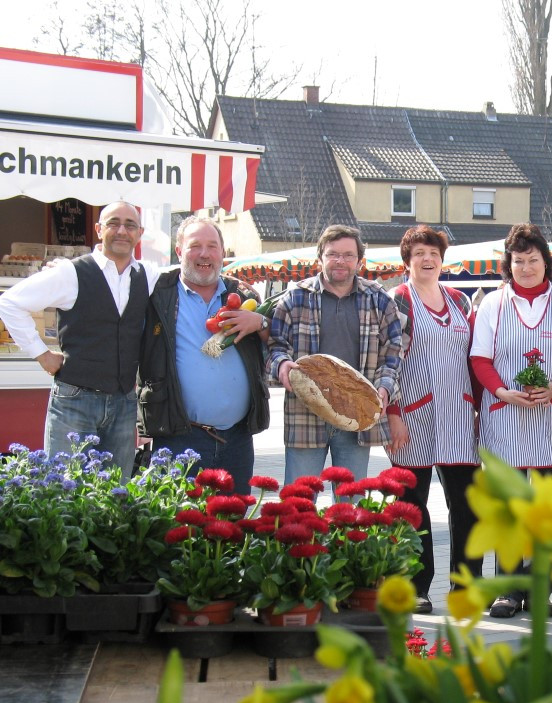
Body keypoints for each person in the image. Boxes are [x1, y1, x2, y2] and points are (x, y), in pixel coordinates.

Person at [470, 222, 552, 618]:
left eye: (533, 260)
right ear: (509, 264)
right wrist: (502, 392)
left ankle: (539, 590)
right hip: (506, 417)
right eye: (518, 261)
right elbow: (480, 358)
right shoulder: (493, 304)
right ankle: (507, 590)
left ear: (546, 262)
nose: (526, 267)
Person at [0, 201, 162, 476]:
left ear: (140, 232)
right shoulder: (70, 272)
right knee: (64, 485)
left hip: (123, 402)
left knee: (116, 490)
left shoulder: (148, 275)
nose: (122, 231)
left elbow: (186, 277)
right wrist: (41, 354)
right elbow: (10, 303)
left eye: (130, 225)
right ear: (99, 229)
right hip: (75, 400)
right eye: (113, 223)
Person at [138, 217, 270, 494]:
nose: (204, 254)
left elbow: (277, 344)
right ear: (179, 251)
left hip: (237, 439)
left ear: (223, 252)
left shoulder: (243, 295)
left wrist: (261, 323)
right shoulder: (157, 294)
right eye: (195, 246)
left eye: (212, 246)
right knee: (179, 517)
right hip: (178, 436)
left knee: (232, 518)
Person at [388, 225, 481, 614]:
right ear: (407, 261)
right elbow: (386, 361)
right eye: (419, 254)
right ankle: (417, 586)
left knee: (467, 505)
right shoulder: (397, 300)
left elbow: (475, 358)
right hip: (413, 416)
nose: (427, 260)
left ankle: (466, 587)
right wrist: (393, 414)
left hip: (459, 415)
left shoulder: (460, 301)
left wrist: (481, 410)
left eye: (434, 254)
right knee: (411, 506)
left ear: (443, 260)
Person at [269, 225, 402, 487]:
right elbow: (275, 345)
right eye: (332, 254)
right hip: (305, 413)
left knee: (350, 502)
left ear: (359, 261)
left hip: (358, 414)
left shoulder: (379, 299)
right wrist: (281, 364)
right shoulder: (296, 297)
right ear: (320, 258)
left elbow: (393, 352)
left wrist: (384, 388)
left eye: (348, 255)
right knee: (299, 499)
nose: (340, 261)